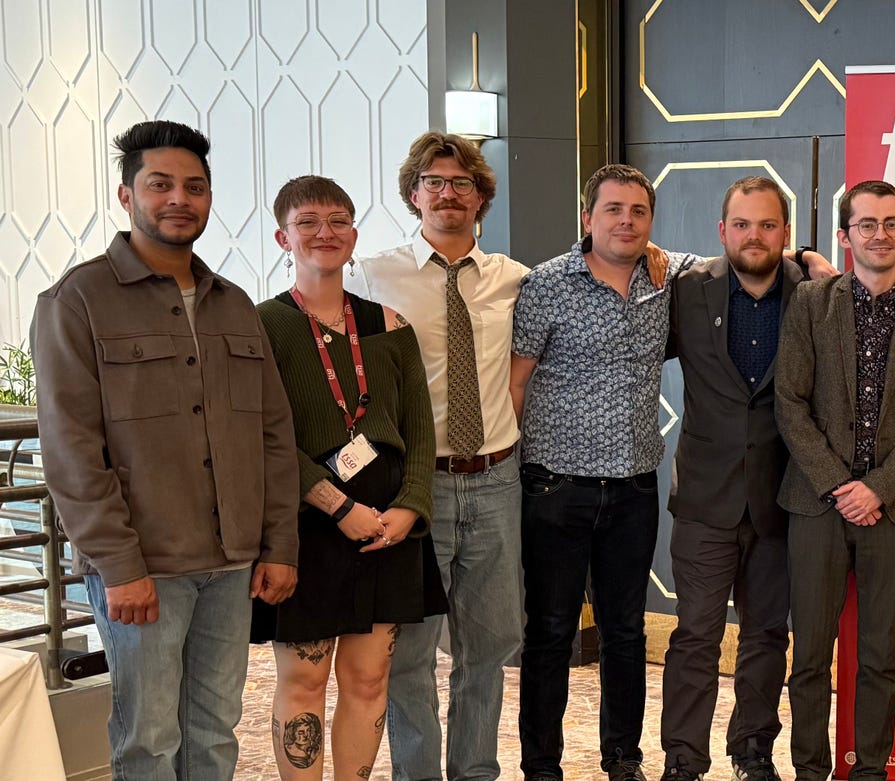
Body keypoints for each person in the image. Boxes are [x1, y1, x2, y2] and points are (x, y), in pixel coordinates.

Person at [31, 119, 300, 779]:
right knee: (148, 739)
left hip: (233, 563)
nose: (180, 198)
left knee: (214, 732)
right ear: (127, 196)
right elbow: (70, 447)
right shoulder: (76, 301)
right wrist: (119, 564)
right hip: (144, 566)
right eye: (161, 184)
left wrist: (279, 543)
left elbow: (273, 431)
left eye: (195, 186)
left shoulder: (235, 306)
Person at [510, 163, 704, 781]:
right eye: (613, 210)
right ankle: (542, 765)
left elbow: (737, 258)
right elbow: (516, 381)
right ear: (588, 218)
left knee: (624, 632)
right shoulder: (547, 284)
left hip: (633, 489)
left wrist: (808, 257)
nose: (626, 221)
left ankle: (623, 758)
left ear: (650, 222)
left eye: (638, 212)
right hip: (554, 487)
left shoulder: (667, 274)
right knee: (550, 634)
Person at [254, 175, 447, 780]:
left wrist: (411, 507)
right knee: (305, 677)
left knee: (369, 677)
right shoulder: (263, 327)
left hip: (388, 526)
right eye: (308, 222)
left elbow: (420, 431)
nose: (324, 232)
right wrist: (338, 506)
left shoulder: (389, 326)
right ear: (283, 236)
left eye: (338, 220)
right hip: (307, 524)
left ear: (355, 234)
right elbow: (265, 439)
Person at [350, 132, 529, 781]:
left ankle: (476, 769)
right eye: (434, 182)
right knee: (411, 652)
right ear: (413, 194)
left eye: (461, 183)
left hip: (496, 480)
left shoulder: (515, 279)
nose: (447, 193)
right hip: (414, 488)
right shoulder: (370, 274)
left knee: (487, 646)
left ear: (481, 196)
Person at [775, 179, 895, 781]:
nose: (879, 234)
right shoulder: (810, 304)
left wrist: (877, 487)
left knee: (880, 656)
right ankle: (810, 770)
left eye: (891, 223)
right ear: (844, 235)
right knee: (809, 656)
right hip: (816, 504)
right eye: (866, 224)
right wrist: (840, 485)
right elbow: (789, 402)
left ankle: (870, 772)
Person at [658, 176, 801, 781]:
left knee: (767, 636)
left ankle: (753, 754)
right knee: (695, 637)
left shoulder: (815, 294)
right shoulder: (686, 292)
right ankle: (683, 762)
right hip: (704, 500)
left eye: (767, 225)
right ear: (722, 231)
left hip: (783, 500)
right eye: (742, 224)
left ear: (785, 233)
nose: (754, 236)